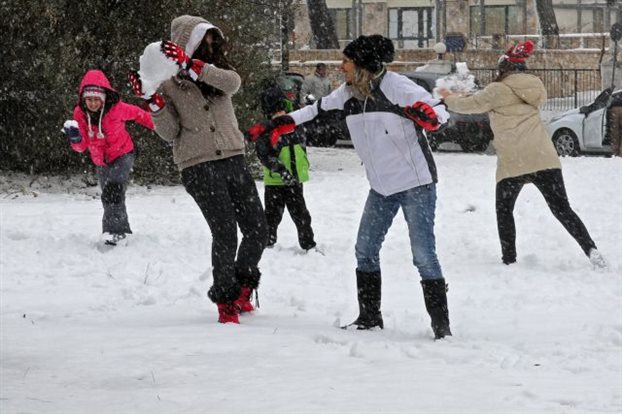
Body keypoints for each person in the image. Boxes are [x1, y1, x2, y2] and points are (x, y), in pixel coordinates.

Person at [249, 35, 453, 339]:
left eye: (346, 61)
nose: (341, 67)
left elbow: (438, 109)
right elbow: (315, 110)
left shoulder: (397, 86)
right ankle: (369, 317)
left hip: (416, 184)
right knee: (365, 250)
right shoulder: (347, 93)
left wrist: (431, 118)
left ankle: (441, 327)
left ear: (363, 65)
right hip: (381, 187)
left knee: (423, 254)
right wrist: (278, 124)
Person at [128, 15, 268, 324]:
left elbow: (235, 82)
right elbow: (169, 131)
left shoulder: (215, 74)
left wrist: (194, 67)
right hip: (198, 165)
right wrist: (152, 102)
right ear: (186, 43)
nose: (210, 47)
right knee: (225, 231)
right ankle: (226, 300)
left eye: (211, 41)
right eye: (203, 42)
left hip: (232, 157)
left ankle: (243, 285)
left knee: (258, 228)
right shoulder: (167, 83)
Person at [439, 41, 607, 269]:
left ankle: (509, 259)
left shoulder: (497, 90)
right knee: (562, 209)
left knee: (504, 210)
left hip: (513, 162)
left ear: (504, 69)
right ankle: (591, 249)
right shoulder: (535, 87)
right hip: (543, 156)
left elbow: (469, 105)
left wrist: (447, 97)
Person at [64, 69, 154, 246]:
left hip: (123, 154)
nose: (93, 103)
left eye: (97, 99)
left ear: (104, 98)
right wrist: (75, 139)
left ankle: (113, 232)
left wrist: (163, 128)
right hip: (101, 161)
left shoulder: (118, 109)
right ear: (83, 99)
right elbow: (81, 147)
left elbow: (139, 115)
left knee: (113, 191)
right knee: (112, 196)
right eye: (89, 99)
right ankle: (124, 230)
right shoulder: (79, 114)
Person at [253, 86, 316, 251]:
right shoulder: (267, 131)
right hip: (276, 181)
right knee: (272, 216)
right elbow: (265, 156)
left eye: (282, 109)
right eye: (276, 111)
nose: (280, 114)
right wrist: (280, 170)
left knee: (301, 215)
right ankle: (267, 242)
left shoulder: (295, 125)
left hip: (294, 180)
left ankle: (308, 244)